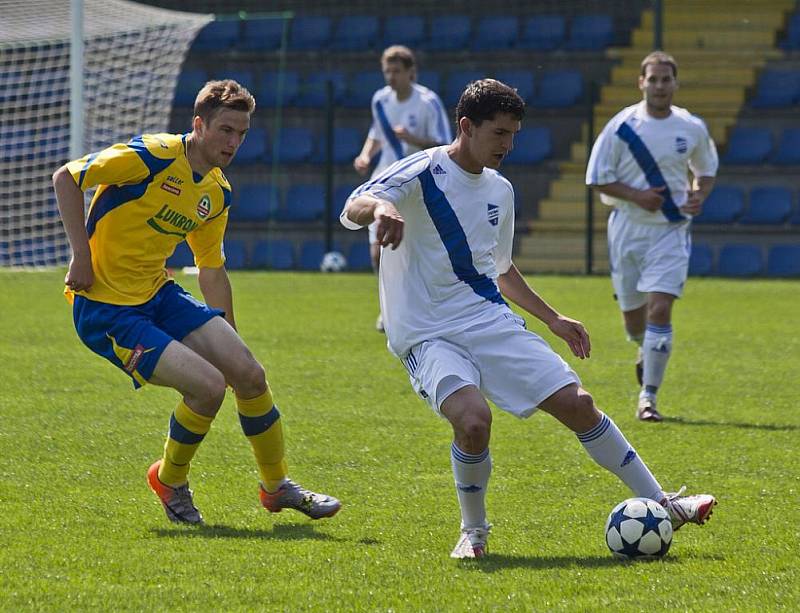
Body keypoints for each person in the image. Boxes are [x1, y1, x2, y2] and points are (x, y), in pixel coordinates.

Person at [341, 78, 716, 559]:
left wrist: (553, 318)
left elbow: (500, 269)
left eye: (513, 134)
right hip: (426, 333)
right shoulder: (422, 171)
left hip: (485, 320)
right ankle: (473, 533)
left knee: (580, 403)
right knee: (473, 422)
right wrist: (384, 207)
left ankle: (665, 504)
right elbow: (354, 204)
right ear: (466, 127)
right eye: (498, 133)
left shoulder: (500, 191)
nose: (508, 145)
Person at [52, 79, 340, 525]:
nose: (234, 142)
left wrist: (230, 338)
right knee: (207, 387)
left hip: (157, 293)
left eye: (242, 134)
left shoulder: (216, 192)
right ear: (198, 124)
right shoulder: (150, 156)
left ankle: (277, 487)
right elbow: (67, 177)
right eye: (226, 130)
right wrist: (80, 256)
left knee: (249, 373)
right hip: (105, 307)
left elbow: (210, 267)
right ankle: (170, 480)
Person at [586, 51, 718, 422]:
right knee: (634, 322)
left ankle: (648, 398)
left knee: (660, 308)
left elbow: (706, 170)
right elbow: (597, 178)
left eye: (666, 79)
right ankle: (645, 349)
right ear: (641, 82)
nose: (660, 86)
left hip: (671, 231)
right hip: (628, 229)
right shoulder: (622, 127)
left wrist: (699, 193)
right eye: (653, 79)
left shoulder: (691, 127)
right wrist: (636, 195)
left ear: (676, 83)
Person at [352, 45, 452, 332]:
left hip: (418, 181)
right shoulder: (380, 100)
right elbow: (376, 135)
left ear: (411, 73)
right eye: (387, 71)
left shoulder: (427, 102)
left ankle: (419, 307)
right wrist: (365, 156)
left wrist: (413, 138)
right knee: (376, 252)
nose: (391, 77)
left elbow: (444, 144)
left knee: (415, 250)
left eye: (397, 71)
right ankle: (388, 309)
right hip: (385, 180)